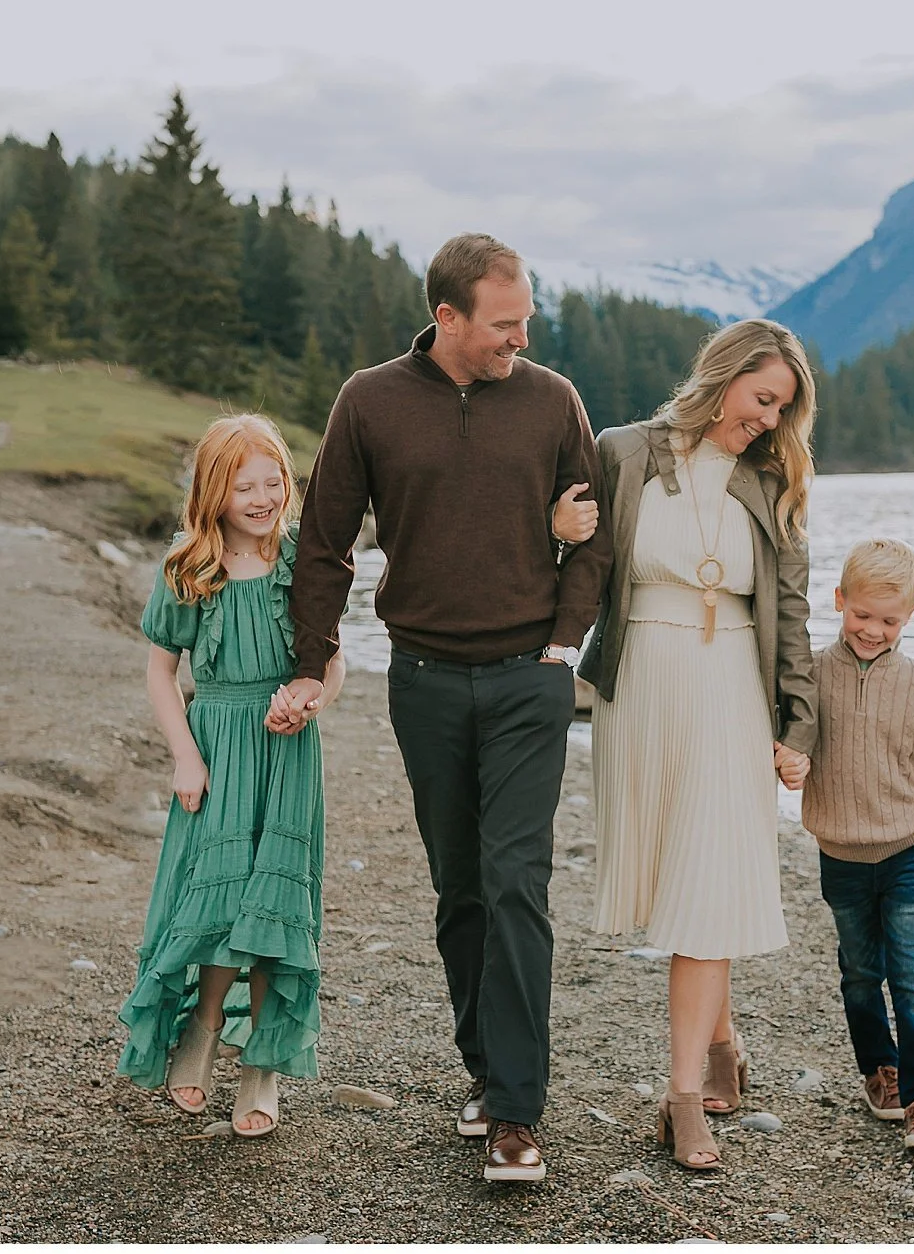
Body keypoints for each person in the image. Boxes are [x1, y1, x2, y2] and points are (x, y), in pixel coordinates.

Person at [273, 232, 610, 1183]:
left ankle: (515, 1110)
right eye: (506, 322)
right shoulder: (369, 402)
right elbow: (326, 545)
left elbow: (593, 536)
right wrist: (313, 659)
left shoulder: (551, 400)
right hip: (422, 680)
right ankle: (484, 1068)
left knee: (516, 880)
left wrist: (563, 644)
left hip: (526, 680)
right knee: (460, 887)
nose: (523, 336)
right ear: (449, 316)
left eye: (527, 318)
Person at [578, 318, 820, 1171]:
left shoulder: (776, 479)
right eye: (762, 399)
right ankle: (721, 1037)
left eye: (783, 408)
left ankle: (683, 1101)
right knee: (673, 876)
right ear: (722, 376)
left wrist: (798, 728)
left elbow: (791, 613)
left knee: (709, 880)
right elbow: (575, 562)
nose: (768, 419)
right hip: (641, 684)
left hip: (731, 696)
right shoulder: (622, 451)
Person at [116, 413, 347, 1139]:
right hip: (217, 748)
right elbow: (160, 672)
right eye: (243, 483)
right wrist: (185, 754)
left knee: (273, 904)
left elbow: (331, 661)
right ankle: (203, 1031)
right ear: (213, 491)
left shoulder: (302, 559)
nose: (261, 494)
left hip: (285, 753)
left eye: (273, 479)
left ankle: (263, 1064)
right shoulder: (190, 566)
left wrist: (310, 699)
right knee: (216, 900)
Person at [802, 538, 914, 1151]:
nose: (872, 631)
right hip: (840, 855)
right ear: (839, 600)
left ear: (910, 617)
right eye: (861, 615)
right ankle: (879, 1068)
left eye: (889, 620)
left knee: (912, 978)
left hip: (907, 855)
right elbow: (787, 733)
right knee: (857, 973)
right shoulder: (813, 673)